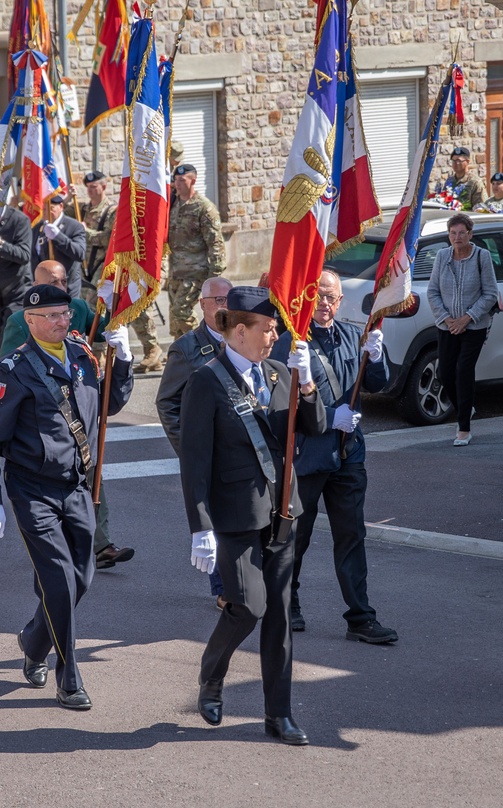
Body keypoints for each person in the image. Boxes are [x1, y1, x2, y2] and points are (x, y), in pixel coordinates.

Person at [0, 284, 134, 710]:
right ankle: (69, 678)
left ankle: (33, 639)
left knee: (80, 580)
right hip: (33, 489)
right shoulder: (12, 370)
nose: (63, 322)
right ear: (30, 321)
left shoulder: (82, 355)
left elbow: (108, 406)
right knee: (60, 579)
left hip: (77, 486)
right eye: (52, 316)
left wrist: (125, 361)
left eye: (65, 314)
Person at [178, 286, 325, 745]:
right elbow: (195, 461)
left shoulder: (281, 373)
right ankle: (212, 676)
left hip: (283, 512)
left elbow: (314, 427)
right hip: (235, 517)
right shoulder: (206, 381)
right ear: (240, 331)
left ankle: (277, 714)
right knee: (247, 608)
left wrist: (307, 384)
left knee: (279, 616)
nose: (275, 335)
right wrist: (201, 527)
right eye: (268, 328)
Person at [270, 270, 398, 643]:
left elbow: (377, 384)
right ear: (310, 298)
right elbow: (281, 405)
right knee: (298, 537)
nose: (326, 304)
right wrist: (329, 421)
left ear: (341, 302)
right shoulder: (291, 343)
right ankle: (288, 603)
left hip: (348, 454)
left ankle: (360, 617)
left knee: (351, 536)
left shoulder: (348, 335)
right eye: (320, 296)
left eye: (333, 298)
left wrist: (375, 357)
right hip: (308, 456)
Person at [0, 262, 134, 570]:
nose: (61, 287)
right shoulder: (22, 319)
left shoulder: (77, 307)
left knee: (91, 475)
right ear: (36, 284)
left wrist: (114, 308)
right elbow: (10, 363)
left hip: (80, 410)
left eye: (63, 280)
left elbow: (106, 331)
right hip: (45, 416)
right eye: (53, 282)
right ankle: (66, 546)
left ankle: (100, 545)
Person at [155, 276, 233, 605]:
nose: (225, 306)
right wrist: (187, 448)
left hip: (241, 450)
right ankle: (225, 590)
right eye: (218, 300)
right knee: (215, 517)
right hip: (208, 451)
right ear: (202, 304)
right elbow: (167, 403)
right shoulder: (187, 348)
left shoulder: (243, 338)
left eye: (230, 299)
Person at [426, 213, 499, 446]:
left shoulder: (482, 256)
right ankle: (466, 409)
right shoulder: (441, 256)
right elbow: (432, 292)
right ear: (449, 235)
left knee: (463, 371)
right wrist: (448, 319)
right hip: (447, 326)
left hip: (474, 325)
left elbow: (490, 293)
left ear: (470, 234)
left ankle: (464, 428)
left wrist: (466, 318)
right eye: (453, 233)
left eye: (461, 233)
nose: (457, 237)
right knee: (445, 373)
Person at [80, 171, 163, 372]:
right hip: (87, 267)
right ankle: (98, 353)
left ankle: (152, 349)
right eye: (88, 187)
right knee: (94, 311)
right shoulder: (82, 208)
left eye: (95, 186)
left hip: (109, 265)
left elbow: (110, 239)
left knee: (132, 309)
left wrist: (85, 232)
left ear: (104, 187)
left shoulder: (112, 210)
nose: (91, 190)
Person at [165, 164, 226, 340]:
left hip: (195, 273)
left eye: (182, 180)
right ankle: (183, 357)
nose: (178, 184)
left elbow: (216, 245)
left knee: (181, 312)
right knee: (175, 321)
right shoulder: (174, 204)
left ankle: (204, 343)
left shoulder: (204, 208)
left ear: (193, 180)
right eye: (176, 180)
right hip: (175, 272)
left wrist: (213, 279)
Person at [0, 204, 34, 355]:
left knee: (8, 342)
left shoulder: (19, 220)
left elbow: (24, 255)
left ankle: (4, 375)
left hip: (17, 291)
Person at [31, 194, 86, 301]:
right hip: (45, 288)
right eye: (44, 209)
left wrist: (58, 237)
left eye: (51, 208)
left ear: (61, 206)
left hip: (67, 286)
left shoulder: (74, 226)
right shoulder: (38, 228)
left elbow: (80, 253)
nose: (47, 212)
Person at [436, 146, 487, 211]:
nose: (456, 163)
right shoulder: (449, 181)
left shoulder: (475, 182)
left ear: (467, 161)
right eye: (453, 161)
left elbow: (481, 207)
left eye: (459, 161)